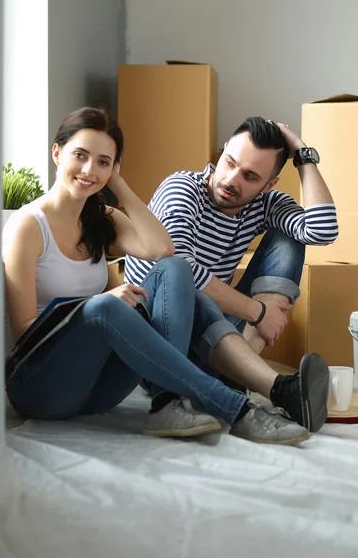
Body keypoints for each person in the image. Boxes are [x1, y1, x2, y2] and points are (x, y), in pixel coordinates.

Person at [3, 107, 314, 447]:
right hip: (39, 387)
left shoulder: (101, 220)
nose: (90, 170)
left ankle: (168, 401)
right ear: (57, 152)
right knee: (104, 309)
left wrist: (117, 184)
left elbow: (163, 249)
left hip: (94, 394)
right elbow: (25, 330)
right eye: (80, 155)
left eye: (104, 162)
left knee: (176, 267)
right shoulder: (27, 225)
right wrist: (95, 303)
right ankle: (236, 408)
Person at [124, 117, 337, 404]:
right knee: (185, 278)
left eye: (250, 176)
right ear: (222, 152)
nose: (230, 180)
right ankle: (254, 379)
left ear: (268, 184)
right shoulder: (183, 189)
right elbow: (179, 268)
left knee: (290, 239)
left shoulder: (264, 205)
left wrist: (302, 154)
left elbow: (321, 231)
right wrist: (258, 312)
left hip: (216, 335)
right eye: (230, 162)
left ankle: (235, 377)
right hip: (160, 344)